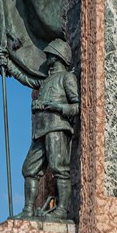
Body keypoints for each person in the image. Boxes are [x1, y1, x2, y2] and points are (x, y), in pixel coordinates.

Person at [13, 39, 80, 220]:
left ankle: (62, 209)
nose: (47, 57)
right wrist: (8, 62)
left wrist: (55, 106)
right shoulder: (46, 81)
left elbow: (77, 106)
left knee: (59, 168)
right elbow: (27, 77)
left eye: (50, 54)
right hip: (41, 130)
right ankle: (28, 209)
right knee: (29, 169)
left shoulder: (67, 78)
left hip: (57, 127)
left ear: (58, 56)